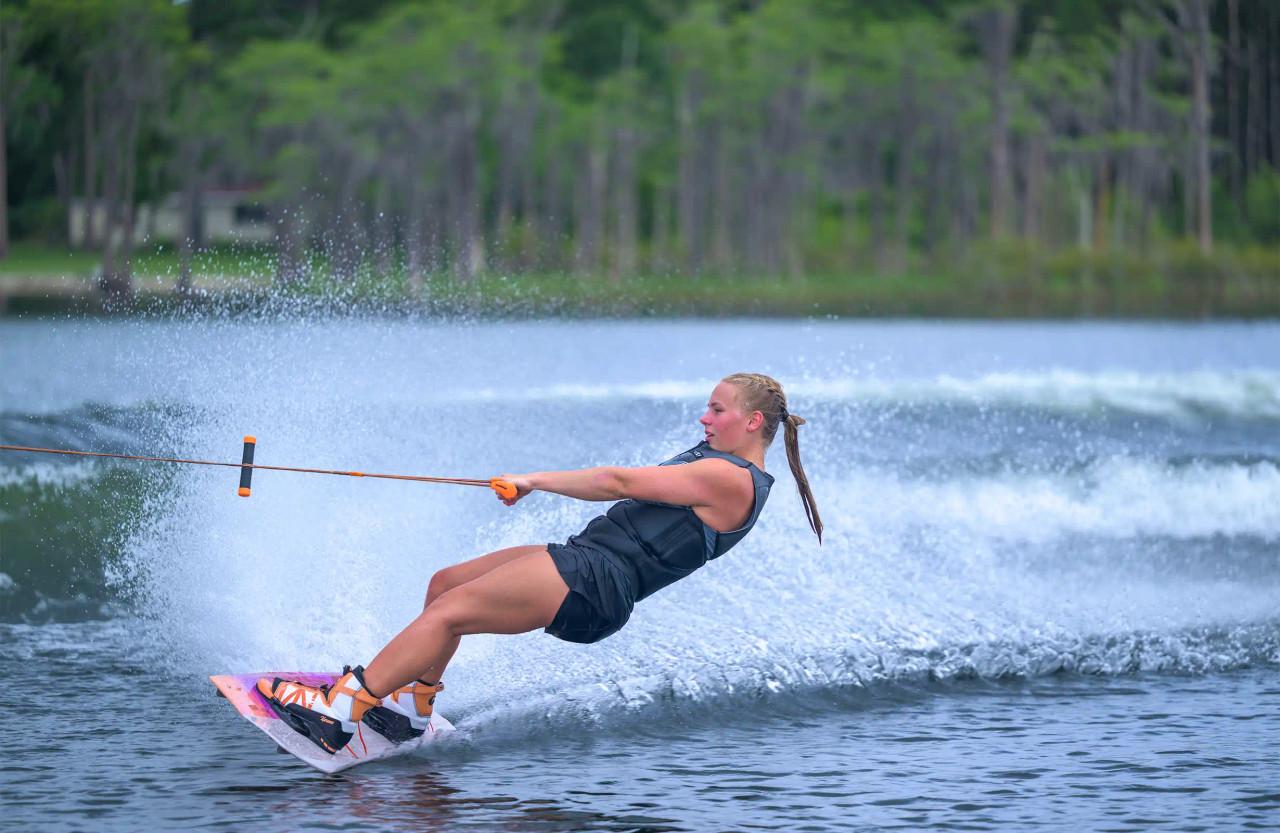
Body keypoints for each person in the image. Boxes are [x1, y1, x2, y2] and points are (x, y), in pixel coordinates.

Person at [256, 372, 823, 755]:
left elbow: (615, 482)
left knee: (451, 612)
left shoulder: (731, 478)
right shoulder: (720, 459)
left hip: (598, 584)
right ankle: (409, 709)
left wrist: (532, 481)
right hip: (584, 562)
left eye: (717, 410)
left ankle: (340, 712)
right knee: (446, 585)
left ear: (752, 423)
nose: (704, 417)